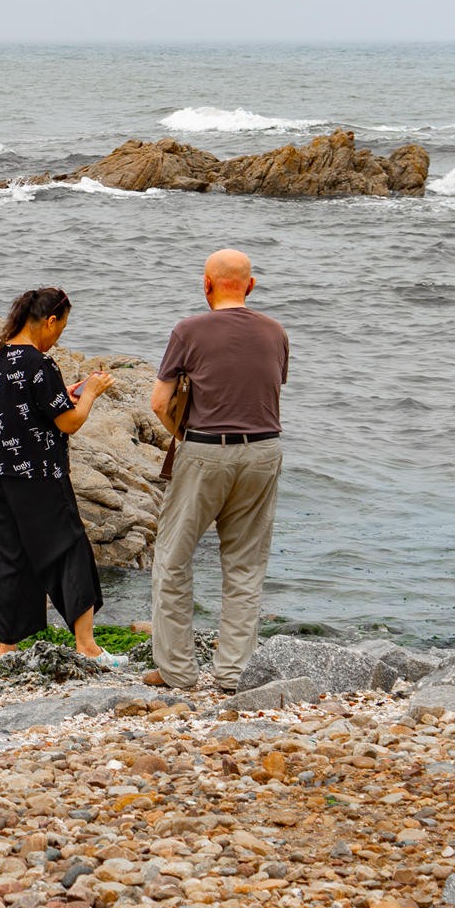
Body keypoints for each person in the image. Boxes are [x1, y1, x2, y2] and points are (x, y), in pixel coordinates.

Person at [144, 249, 290, 693]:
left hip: (206, 450)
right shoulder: (275, 332)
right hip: (264, 451)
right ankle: (233, 673)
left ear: (206, 285)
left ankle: (177, 672)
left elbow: (158, 402)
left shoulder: (188, 330)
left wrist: (184, 436)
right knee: (245, 566)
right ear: (251, 285)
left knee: (172, 561)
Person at [0, 287, 123, 662]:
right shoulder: (40, 365)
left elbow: (18, 404)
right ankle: (87, 646)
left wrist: (64, 391)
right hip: (39, 474)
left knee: (9, 554)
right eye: (61, 328)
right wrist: (90, 392)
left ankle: (6, 650)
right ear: (50, 320)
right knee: (69, 548)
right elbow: (69, 421)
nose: (59, 336)